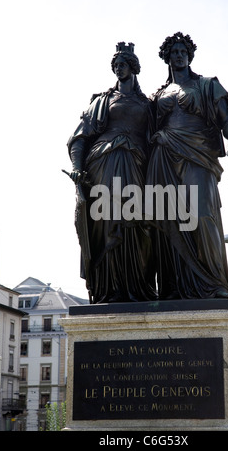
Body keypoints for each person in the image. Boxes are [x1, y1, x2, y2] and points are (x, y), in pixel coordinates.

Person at [147, 32, 228, 300]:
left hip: (198, 154)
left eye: (183, 51)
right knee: (169, 219)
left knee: (201, 215)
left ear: (189, 56)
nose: (178, 55)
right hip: (162, 156)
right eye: (173, 51)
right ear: (166, 57)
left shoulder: (207, 85)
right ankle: (174, 286)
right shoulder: (158, 94)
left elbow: (227, 123)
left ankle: (213, 282)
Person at [67, 42, 157, 304]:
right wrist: (76, 168)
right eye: (116, 65)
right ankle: (109, 289)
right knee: (106, 223)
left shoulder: (148, 104)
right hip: (103, 163)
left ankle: (137, 287)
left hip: (137, 167)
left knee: (139, 226)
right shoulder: (102, 101)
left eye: (124, 64)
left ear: (134, 67)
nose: (119, 69)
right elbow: (79, 138)